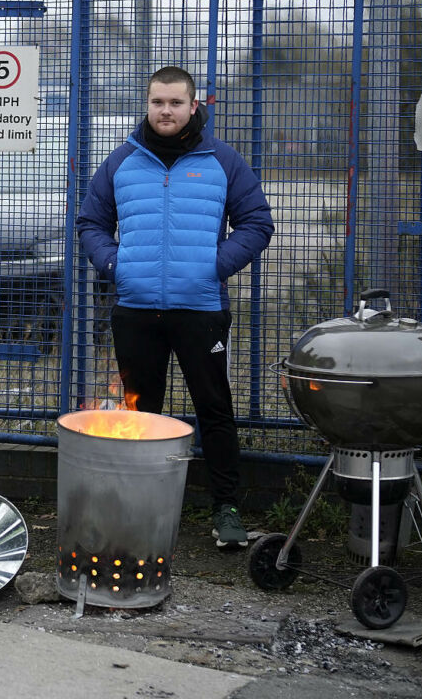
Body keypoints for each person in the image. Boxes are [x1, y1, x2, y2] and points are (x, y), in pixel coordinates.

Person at [77, 66, 273, 551]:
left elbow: (256, 222)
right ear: (147, 104)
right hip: (135, 309)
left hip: (201, 309)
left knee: (214, 409)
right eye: (158, 102)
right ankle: (138, 508)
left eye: (175, 103)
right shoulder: (122, 161)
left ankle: (225, 508)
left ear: (193, 106)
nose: (166, 111)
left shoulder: (222, 161)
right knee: (141, 412)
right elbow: (90, 222)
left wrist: (214, 266)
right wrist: (113, 264)